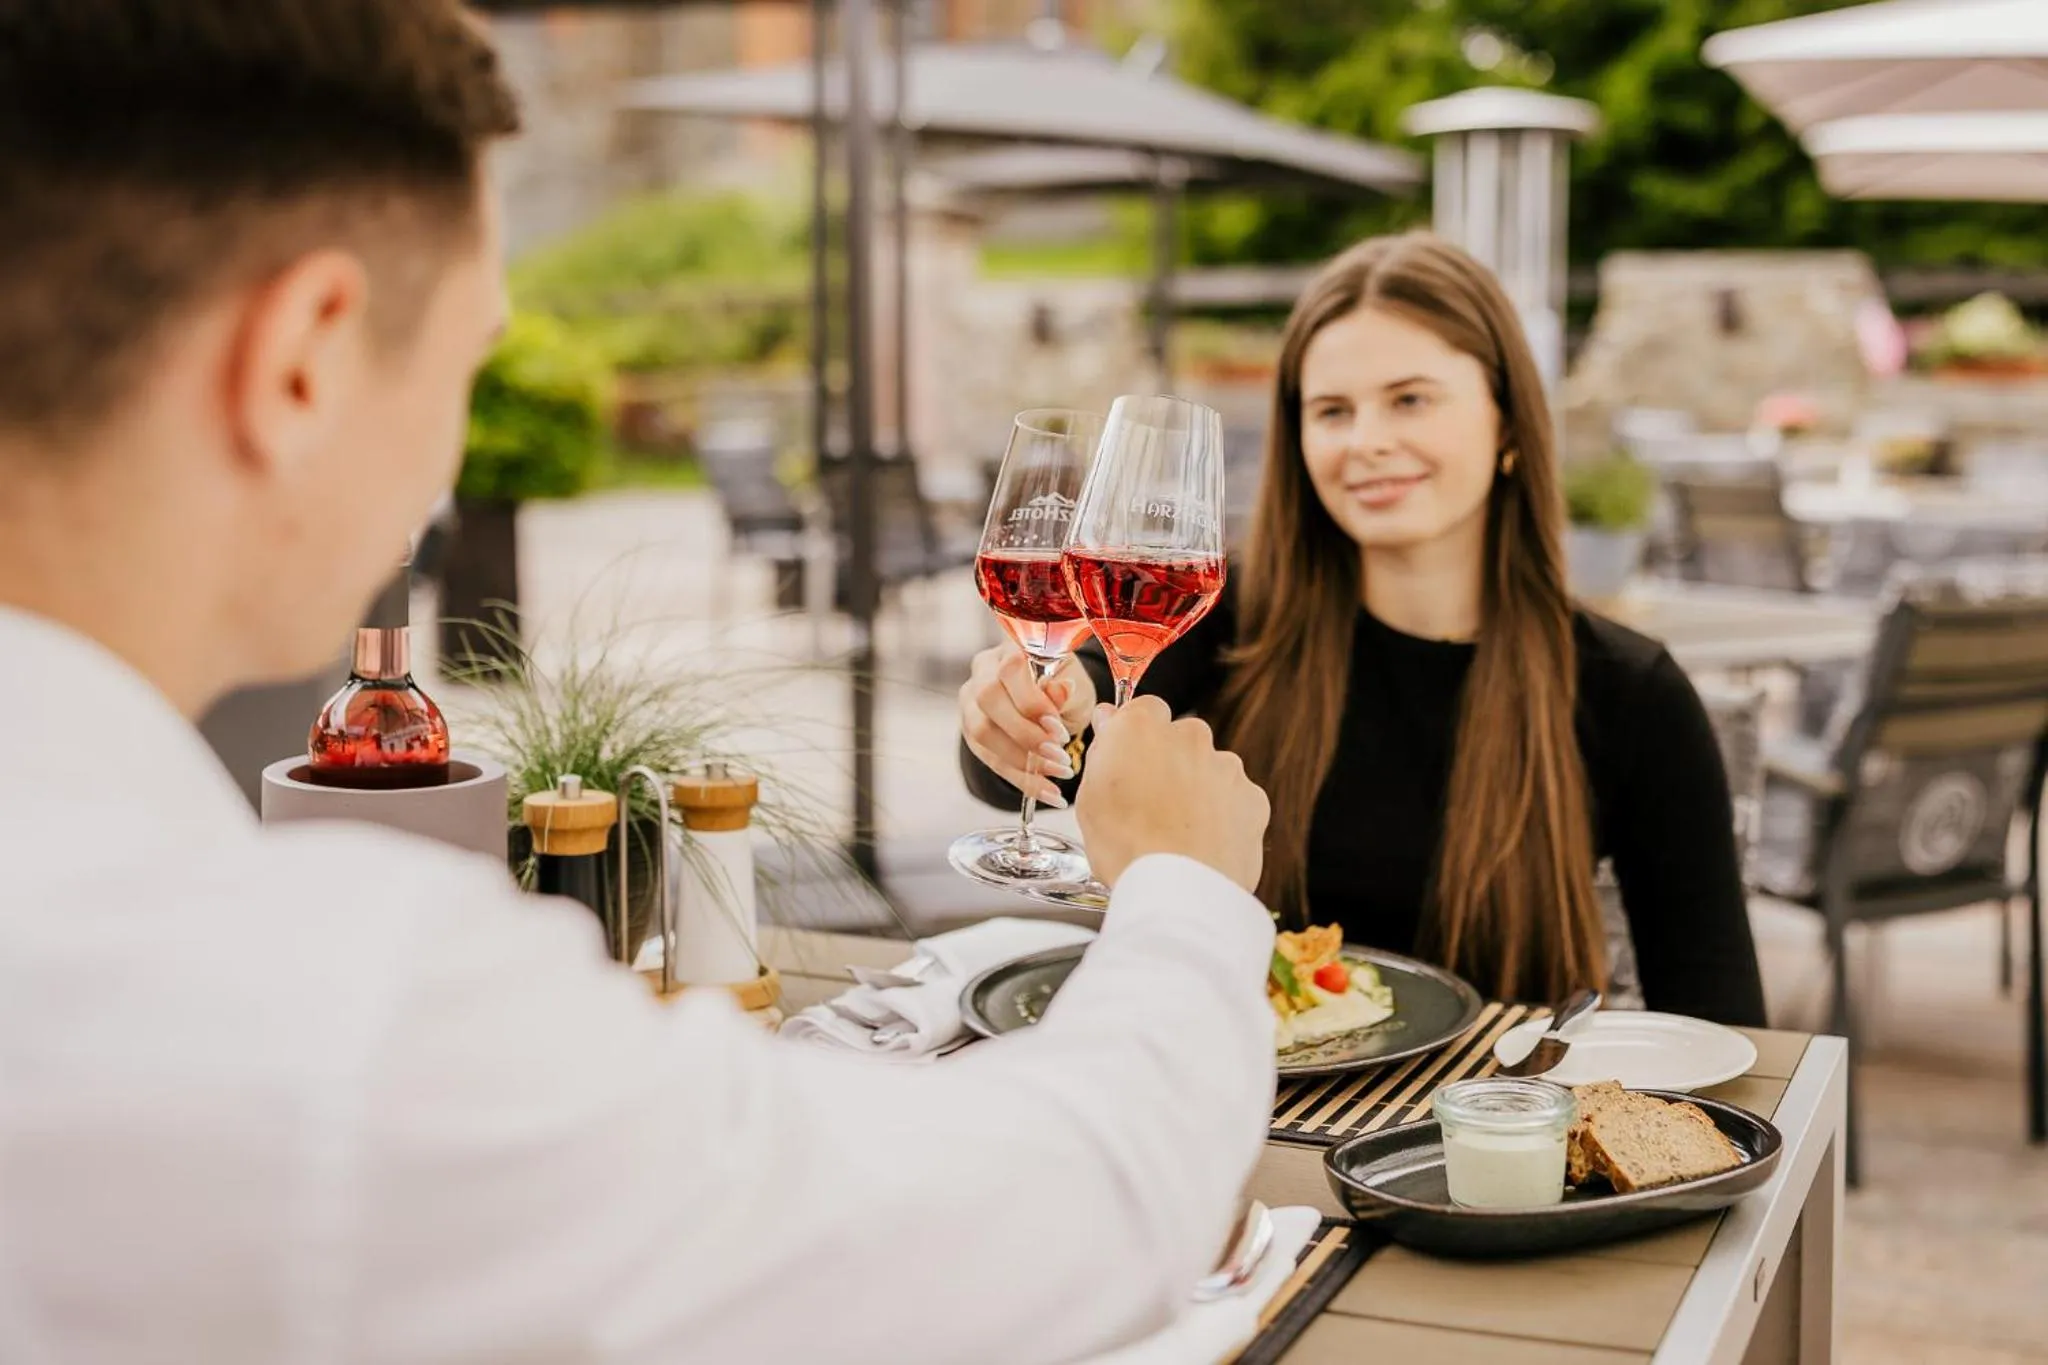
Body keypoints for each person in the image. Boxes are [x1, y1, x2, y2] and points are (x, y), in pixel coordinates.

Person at [0, 5, 1278, 1362]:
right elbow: (1064, 1217)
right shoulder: (317, 1014)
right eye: (468, 357)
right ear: (305, 361)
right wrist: (1187, 897)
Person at [962, 232, 1767, 1027]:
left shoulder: (1630, 691)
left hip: (1488, 1139)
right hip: (1238, 1121)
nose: (1367, 441)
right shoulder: (1224, 621)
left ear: (1510, 426)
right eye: (1333, 410)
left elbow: (1721, 1019)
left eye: (1410, 399)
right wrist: (1032, 716)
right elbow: (1046, 752)